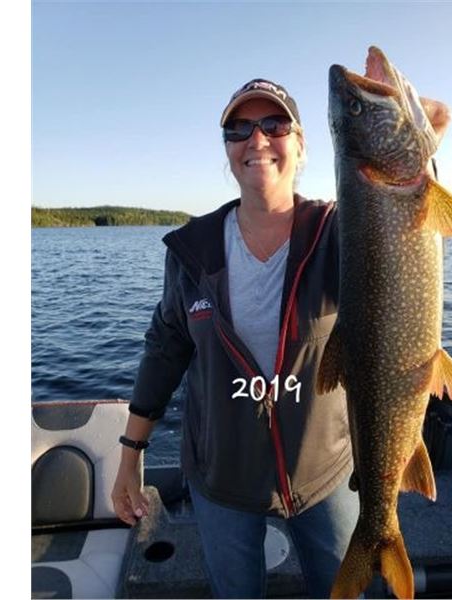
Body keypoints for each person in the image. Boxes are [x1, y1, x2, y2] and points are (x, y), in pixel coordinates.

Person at [111, 78, 358, 599]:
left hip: (324, 471)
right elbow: (164, 351)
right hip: (221, 477)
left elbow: (404, 219)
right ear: (227, 149)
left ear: (301, 144)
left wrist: (415, 150)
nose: (257, 139)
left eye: (275, 124)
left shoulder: (340, 232)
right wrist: (130, 455)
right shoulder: (192, 249)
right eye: (239, 129)